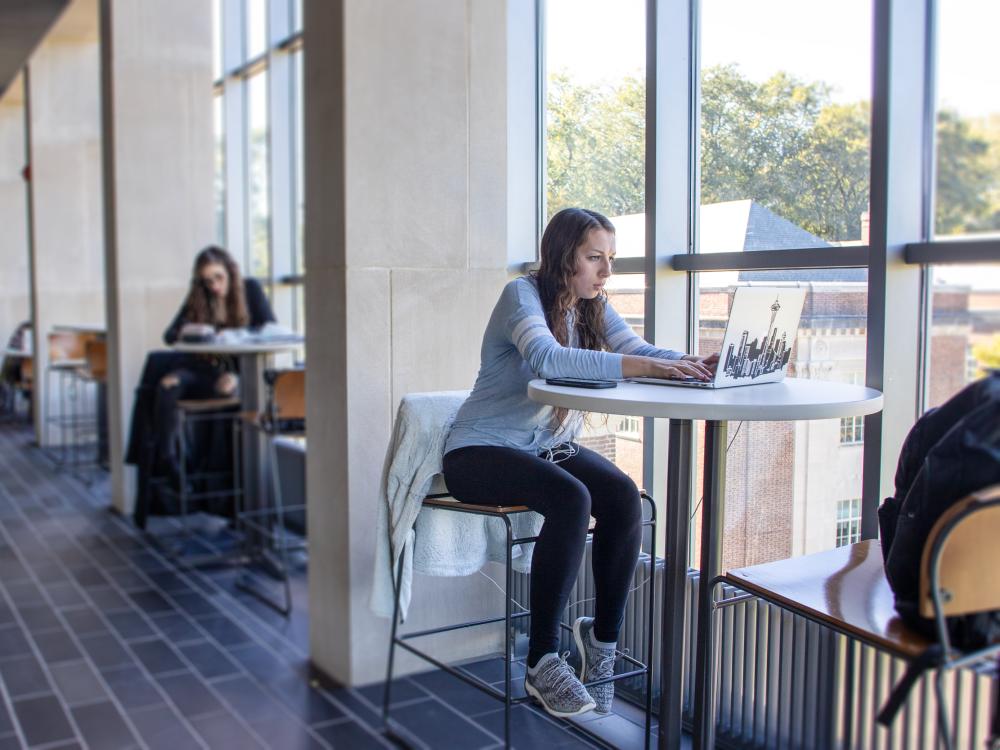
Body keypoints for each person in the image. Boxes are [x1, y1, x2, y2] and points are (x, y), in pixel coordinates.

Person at [442, 208, 718, 719]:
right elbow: (549, 359)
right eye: (595, 258)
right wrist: (651, 366)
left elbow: (636, 350)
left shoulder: (592, 306)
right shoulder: (521, 295)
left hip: (545, 445)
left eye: (610, 259)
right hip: (479, 451)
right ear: (564, 255)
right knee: (572, 499)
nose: (606, 272)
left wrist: (693, 363)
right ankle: (543, 658)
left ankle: (602, 643)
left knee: (622, 498)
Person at [154, 246, 275, 489]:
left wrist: (234, 338)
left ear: (230, 272)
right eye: (208, 280)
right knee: (167, 386)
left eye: (218, 278)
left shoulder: (250, 289)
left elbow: (271, 330)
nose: (215, 286)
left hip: (239, 373)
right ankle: (168, 460)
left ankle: (213, 479)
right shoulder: (200, 296)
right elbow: (169, 335)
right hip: (202, 370)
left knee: (226, 390)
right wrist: (193, 329)